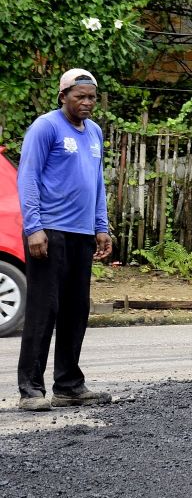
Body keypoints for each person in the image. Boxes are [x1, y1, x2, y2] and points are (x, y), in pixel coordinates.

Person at [16, 68, 113, 411]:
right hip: (50, 231)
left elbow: (96, 183)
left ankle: (69, 385)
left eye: (91, 98)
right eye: (80, 97)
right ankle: (30, 390)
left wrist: (102, 226)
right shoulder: (46, 126)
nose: (87, 103)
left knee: (76, 309)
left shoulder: (95, 133)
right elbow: (27, 177)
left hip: (82, 233)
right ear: (63, 97)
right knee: (45, 308)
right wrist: (33, 227)